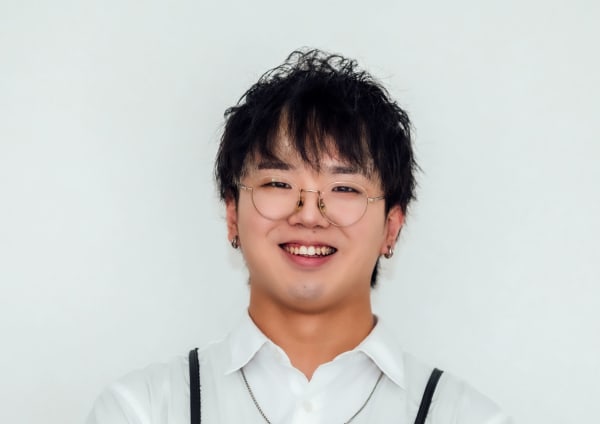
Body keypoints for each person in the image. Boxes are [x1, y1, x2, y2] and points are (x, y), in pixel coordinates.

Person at [87, 49, 511, 424]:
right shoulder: (141, 411)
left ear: (392, 226)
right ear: (232, 214)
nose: (309, 214)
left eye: (344, 188)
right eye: (278, 183)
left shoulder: (468, 418)